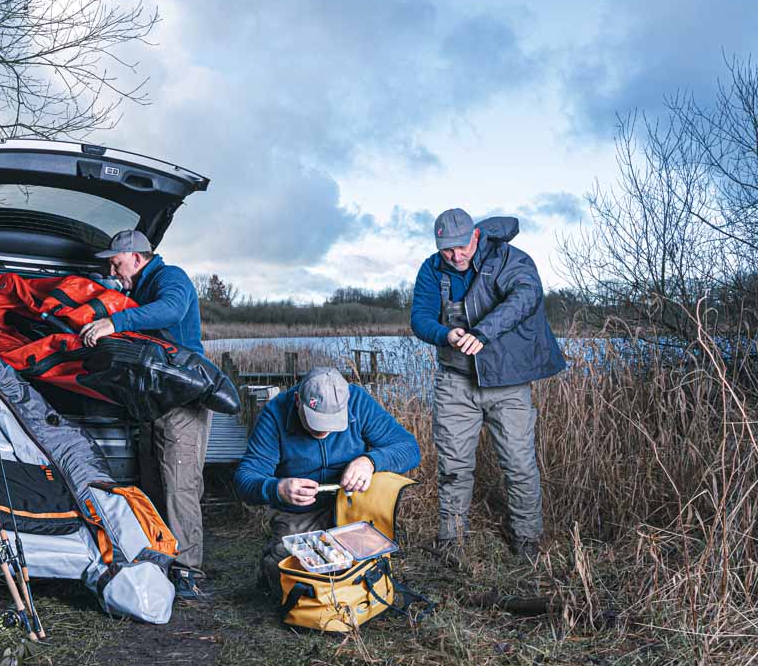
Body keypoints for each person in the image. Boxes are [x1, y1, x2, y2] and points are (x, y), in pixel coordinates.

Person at [410, 208, 566, 566]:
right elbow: (419, 317)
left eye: (462, 247)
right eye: (447, 250)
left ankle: (527, 541)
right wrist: (444, 334)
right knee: (453, 467)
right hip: (455, 382)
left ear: (475, 237)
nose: (456, 256)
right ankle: (451, 542)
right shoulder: (432, 270)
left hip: (508, 383)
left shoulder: (508, 258)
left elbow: (526, 297)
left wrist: (483, 332)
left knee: (520, 464)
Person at [81, 229, 213, 601]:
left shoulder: (171, 278)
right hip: (152, 398)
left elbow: (171, 309)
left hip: (183, 398)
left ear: (137, 258)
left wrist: (115, 323)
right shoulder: (134, 289)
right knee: (152, 479)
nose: (112, 267)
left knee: (179, 483)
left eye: (117, 261)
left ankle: (188, 572)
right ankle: (159, 560)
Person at [234, 367, 421, 594]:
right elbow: (245, 479)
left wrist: (370, 461)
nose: (323, 431)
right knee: (291, 579)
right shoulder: (275, 414)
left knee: (357, 575)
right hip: (299, 513)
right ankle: (274, 560)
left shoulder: (359, 402)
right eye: (315, 420)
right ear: (296, 400)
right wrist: (277, 488)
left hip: (353, 507)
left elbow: (409, 448)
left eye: (332, 422)